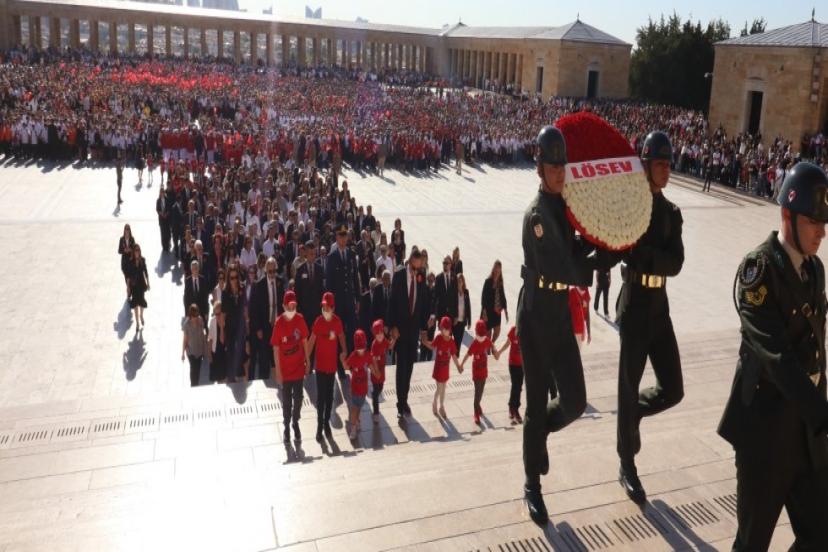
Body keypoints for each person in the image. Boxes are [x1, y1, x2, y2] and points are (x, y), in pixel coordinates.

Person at [718, 162, 828, 551]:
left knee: (820, 535)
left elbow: (818, 352)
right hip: (764, 436)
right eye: (814, 221)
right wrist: (823, 411)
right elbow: (777, 357)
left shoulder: (815, 270)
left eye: (824, 222)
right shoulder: (758, 270)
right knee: (752, 543)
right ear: (787, 214)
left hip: (806, 435)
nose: (822, 232)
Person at [517, 125, 593, 525]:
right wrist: (594, 261)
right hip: (534, 317)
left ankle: (538, 433)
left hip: (559, 313)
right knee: (533, 402)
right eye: (553, 166)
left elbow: (580, 251)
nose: (560, 173)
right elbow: (566, 264)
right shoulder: (537, 217)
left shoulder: (563, 210)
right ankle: (532, 484)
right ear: (540, 168)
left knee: (576, 400)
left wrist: (609, 242)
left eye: (563, 166)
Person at [615, 131, 685, 504]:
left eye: (668, 164)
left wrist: (648, 256)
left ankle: (634, 414)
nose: (666, 171)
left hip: (660, 307)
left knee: (673, 389)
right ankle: (627, 464)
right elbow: (624, 246)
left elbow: (676, 262)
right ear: (645, 166)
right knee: (628, 383)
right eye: (660, 164)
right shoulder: (633, 207)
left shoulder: (672, 213)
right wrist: (645, 256)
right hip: (635, 304)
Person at [387, 249, 429, 419]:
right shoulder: (398, 276)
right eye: (414, 267)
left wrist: (425, 328)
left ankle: (404, 400)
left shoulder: (421, 277)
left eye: (419, 268)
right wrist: (391, 327)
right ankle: (400, 403)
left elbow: (424, 302)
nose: (416, 271)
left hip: (413, 332)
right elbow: (392, 302)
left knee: (410, 368)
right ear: (410, 261)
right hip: (400, 331)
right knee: (401, 368)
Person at [306, 292, 347, 441]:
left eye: (327, 307)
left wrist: (344, 352)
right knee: (321, 398)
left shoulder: (337, 322)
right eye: (323, 307)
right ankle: (319, 427)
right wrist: (307, 360)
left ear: (333, 308)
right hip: (320, 367)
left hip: (332, 367)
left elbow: (342, 336)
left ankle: (326, 424)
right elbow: (311, 341)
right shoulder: (318, 322)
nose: (325, 310)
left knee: (330, 398)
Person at [270, 290, 310, 443]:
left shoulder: (300, 319)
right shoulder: (279, 323)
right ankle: (287, 426)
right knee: (286, 402)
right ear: (284, 306)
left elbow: (305, 341)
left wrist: (308, 361)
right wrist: (278, 372)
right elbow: (276, 348)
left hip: (299, 368)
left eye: (294, 306)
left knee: (298, 398)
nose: (292, 309)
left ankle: (295, 421)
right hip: (285, 372)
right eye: (289, 306)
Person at [325, 224, 360, 378]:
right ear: (336, 238)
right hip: (338, 303)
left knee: (352, 331)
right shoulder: (332, 258)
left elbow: (355, 278)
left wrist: (357, 298)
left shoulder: (351, 254)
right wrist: (330, 305)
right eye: (341, 235)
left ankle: (352, 364)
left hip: (350, 301)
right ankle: (340, 368)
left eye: (345, 235)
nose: (343, 238)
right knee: (339, 334)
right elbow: (329, 284)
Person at [460, 319, 500, 424]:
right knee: (477, 392)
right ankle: (476, 413)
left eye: (483, 336)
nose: (481, 338)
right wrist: (461, 364)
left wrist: (495, 351)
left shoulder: (486, 340)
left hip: (484, 371)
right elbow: (468, 355)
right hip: (476, 372)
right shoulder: (474, 343)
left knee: (481, 391)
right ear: (476, 333)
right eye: (480, 336)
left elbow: (492, 346)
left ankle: (478, 405)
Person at [249, 257, 281, 381]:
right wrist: (257, 328)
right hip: (264, 327)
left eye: (274, 271)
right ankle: (264, 383)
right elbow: (254, 309)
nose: (272, 274)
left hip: (277, 327)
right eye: (270, 272)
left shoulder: (280, 282)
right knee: (264, 359)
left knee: (277, 357)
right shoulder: (258, 285)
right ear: (266, 271)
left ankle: (278, 381)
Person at [422, 316, 461, 418]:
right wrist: (426, 343)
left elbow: (453, 355)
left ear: (450, 330)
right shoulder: (439, 338)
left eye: (447, 329)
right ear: (441, 328)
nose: (445, 331)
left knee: (443, 389)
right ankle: (435, 402)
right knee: (439, 388)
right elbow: (432, 346)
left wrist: (458, 366)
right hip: (438, 368)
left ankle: (441, 406)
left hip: (445, 369)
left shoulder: (451, 341)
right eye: (443, 329)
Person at [344, 329, 378, 441]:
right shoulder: (353, 356)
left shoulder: (367, 355)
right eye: (359, 348)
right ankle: (353, 427)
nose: (361, 351)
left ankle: (357, 421)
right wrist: (342, 360)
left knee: (359, 408)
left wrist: (376, 373)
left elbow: (370, 366)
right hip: (355, 388)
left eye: (362, 348)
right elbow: (346, 366)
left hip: (363, 389)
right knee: (354, 408)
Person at [221, 264, 247, 382]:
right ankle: (231, 378)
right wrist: (222, 331)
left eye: (236, 277)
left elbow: (245, 308)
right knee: (230, 351)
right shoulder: (225, 292)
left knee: (241, 351)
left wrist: (247, 324)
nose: (234, 280)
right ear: (228, 278)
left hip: (240, 326)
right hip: (230, 326)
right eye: (231, 278)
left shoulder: (242, 288)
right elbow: (223, 314)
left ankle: (240, 374)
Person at [370, 319, 395, 423]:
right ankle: (376, 413)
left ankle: (374, 395)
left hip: (382, 370)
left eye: (381, 333)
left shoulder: (384, 340)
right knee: (376, 391)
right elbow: (373, 359)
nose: (380, 335)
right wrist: (376, 371)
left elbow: (390, 346)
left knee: (381, 388)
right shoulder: (374, 345)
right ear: (375, 335)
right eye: (377, 334)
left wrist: (394, 339)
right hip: (376, 371)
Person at [498, 325, 524, 423]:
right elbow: (507, 343)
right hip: (513, 364)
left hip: (522, 365)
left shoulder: (526, 330)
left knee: (519, 386)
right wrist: (499, 352)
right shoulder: (514, 330)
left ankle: (515, 408)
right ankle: (512, 408)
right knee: (515, 386)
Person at [481, 260, 508, 344]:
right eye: (496, 268)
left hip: (497, 311)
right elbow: (483, 297)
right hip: (488, 311)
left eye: (499, 268)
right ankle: (488, 349)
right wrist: (484, 312)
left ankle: (491, 344)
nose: (497, 270)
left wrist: (506, 311)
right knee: (488, 334)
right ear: (493, 269)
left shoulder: (500, 283)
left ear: (500, 270)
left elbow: (503, 296)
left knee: (497, 330)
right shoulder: (488, 281)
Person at [181, 304, 207, 386]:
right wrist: (182, 353)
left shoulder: (200, 320)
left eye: (197, 315)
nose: (196, 317)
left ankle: (196, 384)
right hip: (191, 351)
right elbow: (185, 340)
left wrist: (205, 349)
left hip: (199, 350)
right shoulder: (187, 325)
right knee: (193, 369)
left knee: (198, 370)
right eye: (194, 316)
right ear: (191, 315)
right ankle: (193, 386)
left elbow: (203, 335)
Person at [126, 243, 149, 330]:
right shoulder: (130, 261)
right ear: (133, 252)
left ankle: (141, 315)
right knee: (135, 304)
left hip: (141, 284)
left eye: (138, 251)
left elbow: (145, 271)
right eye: (135, 251)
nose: (137, 252)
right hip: (134, 285)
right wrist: (128, 287)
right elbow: (128, 275)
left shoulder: (142, 260)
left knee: (142, 302)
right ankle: (137, 323)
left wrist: (148, 282)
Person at [449, 272, 472, 350]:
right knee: (453, 342)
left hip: (462, 322)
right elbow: (451, 307)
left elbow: (468, 307)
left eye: (461, 281)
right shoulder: (453, 292)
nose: (459, 282)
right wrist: (454, 317)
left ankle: (456, 358)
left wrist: (469, 321)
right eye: (458, 281)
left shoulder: (466, 292)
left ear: (463, 282)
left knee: (458, 343)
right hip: (454, 322)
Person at [183, 260, 209, 327]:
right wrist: (187, 314)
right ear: (191, 270)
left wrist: (206, 312)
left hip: (202, 311)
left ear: (198, 269)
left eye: (196, 268)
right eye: (193, 269)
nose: (195, 270)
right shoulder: (187, 281)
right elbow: (186, 298)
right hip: (192, 312)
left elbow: (206, 297)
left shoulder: (203, 279)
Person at [207, 301, 227, 383]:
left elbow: (222, 340)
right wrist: (209, 354)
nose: (217, 316)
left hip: (224, 353)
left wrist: (221, 326)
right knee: (218, 378)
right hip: (215, 352)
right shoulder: (212, 321)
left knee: (224, 378)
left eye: (218, 314)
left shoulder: (227, 322)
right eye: (215, 314)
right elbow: (210, 338)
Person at [118, 224, 135, 298]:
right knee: (126, 279)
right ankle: (129, 290)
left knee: (129, 279)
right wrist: (124, 250)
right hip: (125, 262)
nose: (127, 231)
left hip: (131, 262)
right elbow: (119, 251)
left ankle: (129, 291)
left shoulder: (132, 239)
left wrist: (130, 250)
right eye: (126, 229)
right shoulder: (121, 239)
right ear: (124, 230)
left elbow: (135, 249)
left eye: (128, 229)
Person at [156, 187, 171, 253]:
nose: (162, 193)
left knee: (167, 232)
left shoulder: (167, 199)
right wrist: (161, 214)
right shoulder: (158, 200)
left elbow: (169, 208)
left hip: (167, 219)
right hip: (161, 219)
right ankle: (164, 246)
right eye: (161, 192)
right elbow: (157, 209)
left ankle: (167, 245)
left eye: (163, 192)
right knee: (163, 233)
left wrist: (166, 214)